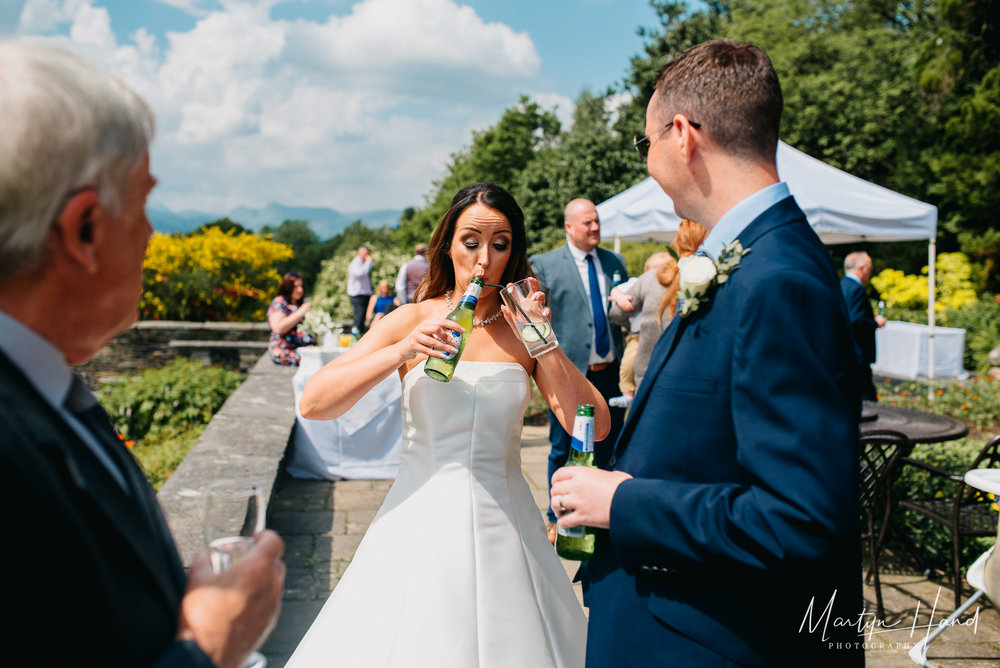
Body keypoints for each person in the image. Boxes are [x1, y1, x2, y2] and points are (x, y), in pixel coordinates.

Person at [550, 40, 863, 666]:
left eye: (646, 144)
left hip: (710, 640)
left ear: (684, 135)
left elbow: (798, 517)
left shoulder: (779, 279)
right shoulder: (751, 258)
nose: (648, 163)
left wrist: (622, 503)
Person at [0, 40, 285, 668]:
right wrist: (207, 646)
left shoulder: (46, 387)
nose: (153, 232)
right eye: (144, 200)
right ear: (83, 229)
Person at [288, 182, 608, 668]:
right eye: (471, 242)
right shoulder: (410, 319)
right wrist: (403, 349)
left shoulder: (525, 333)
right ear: (447, 245)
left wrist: (544, 342)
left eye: (500, 244)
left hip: (510, 522)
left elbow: (595, 425)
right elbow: (314, 403)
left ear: (513, 252)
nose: (484, 259)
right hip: (419, 517)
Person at [530, 198, 628, 541]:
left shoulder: (616, 262)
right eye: (588, 223)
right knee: (563, 446)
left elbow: (620, 316)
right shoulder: (544, 265)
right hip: (570, 372)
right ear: (569, 226)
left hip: (609, 372)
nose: (595, 228)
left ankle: (600, 513)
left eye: (597, 221)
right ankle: (557, 515)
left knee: (609, 445)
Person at [608, 251, 676, 393]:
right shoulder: (637, 282)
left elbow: (616, 314)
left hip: (647, 338)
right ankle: (627, 391)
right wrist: (621, 299)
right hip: (637, 335)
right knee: (629, 361)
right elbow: (616, 292)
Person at [842, 251, 886, 401]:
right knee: (867, 395)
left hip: (846, 349)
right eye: (870, 267)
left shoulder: (842, 285)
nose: (870, 271)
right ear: (862, 268)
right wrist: (875, 323)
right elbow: (856, 320)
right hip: (858, 351)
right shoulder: (856, 289)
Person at [267, 272, 317, 366]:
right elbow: (278, 328)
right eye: (295, 287)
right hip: (286, 351)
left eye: (301, 286)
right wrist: (300, 313)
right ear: (287, 287)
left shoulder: (300, 303)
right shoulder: (279, 303)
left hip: (305, 350)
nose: (300, 290)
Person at [346, 244, 373, 333]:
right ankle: (355, 335)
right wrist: (368, 263)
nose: (367, 256)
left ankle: (359, 334)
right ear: (360, 253)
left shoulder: (362, 263)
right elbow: (360, 273)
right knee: (359, 316)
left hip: (363, 294)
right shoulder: (356, 263)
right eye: (366, 254)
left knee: (362, 317)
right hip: (358, 295)